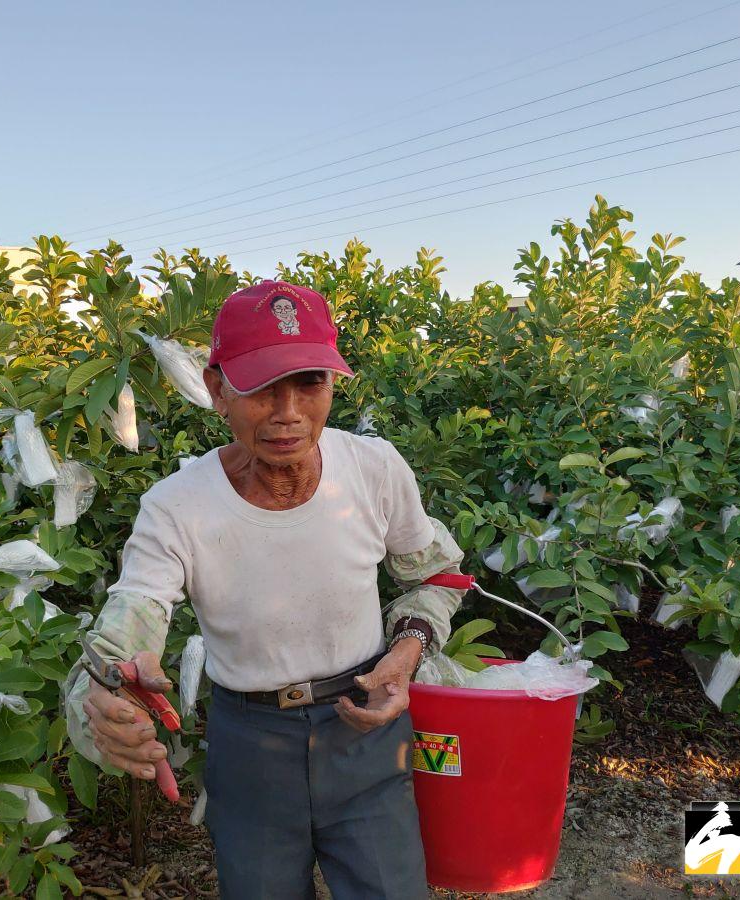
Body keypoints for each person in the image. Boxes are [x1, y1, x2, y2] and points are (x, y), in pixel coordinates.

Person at [64, 279, 467, 899]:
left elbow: (436, 575)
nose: (288, 412)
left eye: (310, 382)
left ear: (333, 384)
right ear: (216, 388)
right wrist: (108, 684)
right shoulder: (176, 506)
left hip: (365, 735)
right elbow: (134, 611)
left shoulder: (375, 468)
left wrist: (406, 653)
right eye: (259, 387)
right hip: (250, 747)